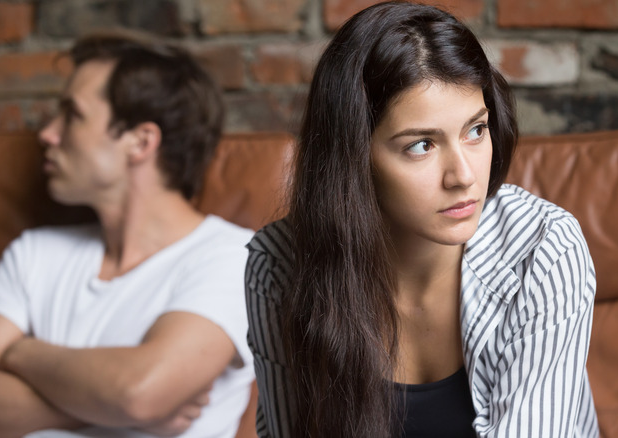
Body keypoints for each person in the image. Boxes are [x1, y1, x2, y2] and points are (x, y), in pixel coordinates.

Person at [245, 2, 599, 437]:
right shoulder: (278, 268)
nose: (464, 177)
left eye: (476, 130)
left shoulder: (542, 251)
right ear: (352, 159)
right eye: (421, 146)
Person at [0, 33, 254, 438]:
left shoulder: (236, 258)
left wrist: (19, 352)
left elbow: (138, 393)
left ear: (140, 141)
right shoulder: (34, 252)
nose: (48, 134)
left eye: (72, 114)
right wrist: (102, 409)